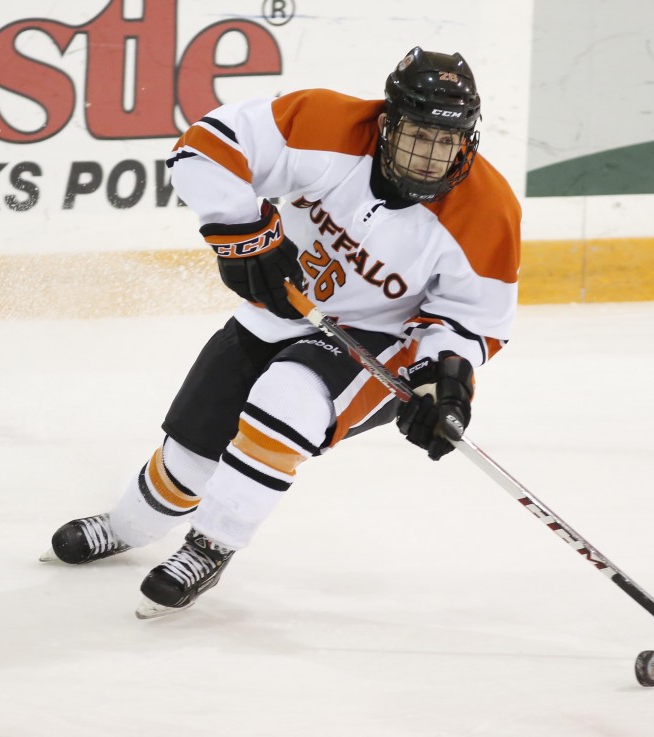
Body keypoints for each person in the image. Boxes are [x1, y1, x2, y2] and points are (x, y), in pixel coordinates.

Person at [41, 47, 521, 619]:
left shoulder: (488, 211)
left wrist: (442, 383)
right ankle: (127, 526)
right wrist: (246, 235)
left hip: (377, 343)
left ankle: (211, 546)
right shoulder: (327, 123)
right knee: (189, 455)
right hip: (280, 308)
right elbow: (206, 147)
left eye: (447, 142)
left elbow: (471, 320)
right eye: (418, 134)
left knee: (286, 398)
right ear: (388, 121)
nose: (430, 158)